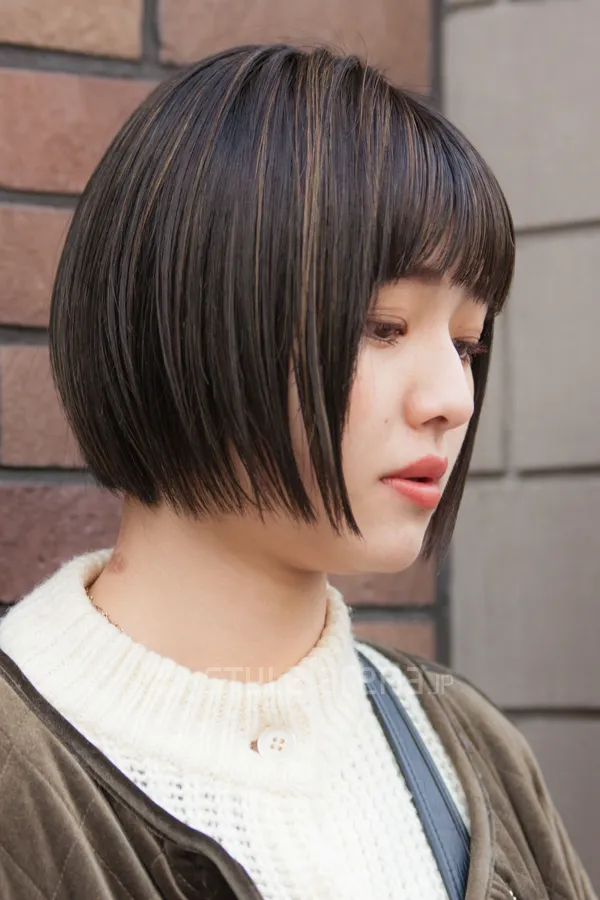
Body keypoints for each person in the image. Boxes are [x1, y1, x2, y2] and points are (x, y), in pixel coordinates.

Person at [0, 44, 594, 900]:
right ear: (192, 317)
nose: (452, 399)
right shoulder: (25, 786)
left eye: (466, 344)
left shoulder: (471, 753)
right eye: (383, 326)